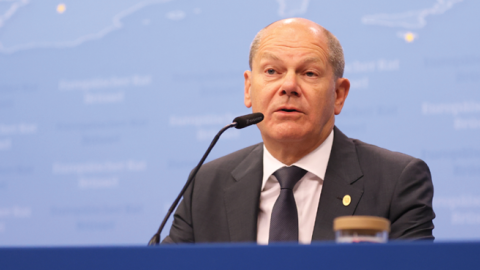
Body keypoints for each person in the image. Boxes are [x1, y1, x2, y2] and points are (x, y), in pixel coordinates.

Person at [162, 18, 435, 244]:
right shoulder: (206, 185)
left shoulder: (397, 181)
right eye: (272, 71)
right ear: (248, 89)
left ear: (339, 95)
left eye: (309, 73)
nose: (289, 85)